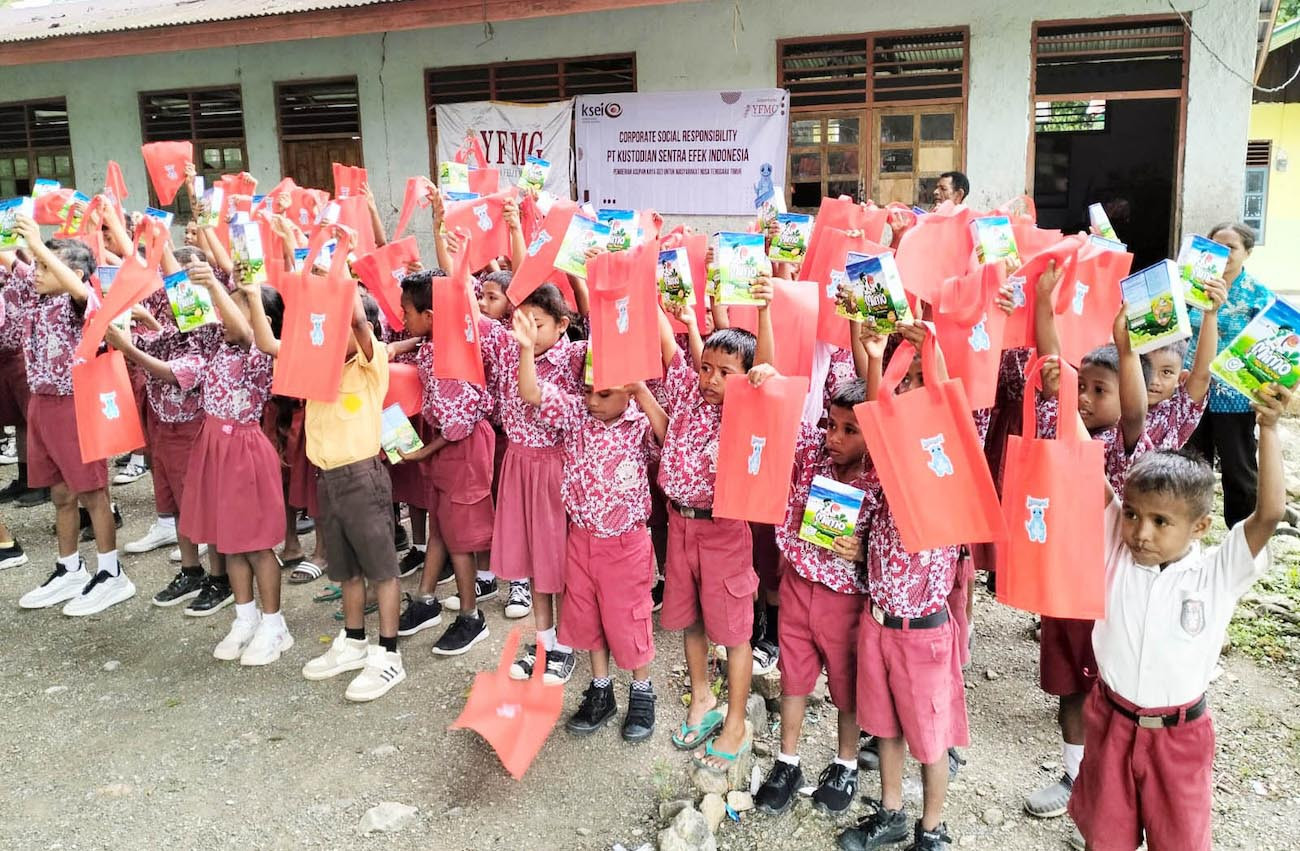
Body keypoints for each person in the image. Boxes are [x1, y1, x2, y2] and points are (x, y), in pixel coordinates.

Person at [1069, 384, 1291, 851]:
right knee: (1104, 840)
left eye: (1160, 521)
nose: (1140, 532)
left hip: (1179, 736)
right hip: (1111, 722)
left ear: (1200, 526)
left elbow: (1267, 514)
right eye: (1131, 514)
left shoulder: (1217, 573)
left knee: (1181, 843)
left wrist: (1268, 429)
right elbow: (1081, 461)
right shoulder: (1116, 546)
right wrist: (1057, 390)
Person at [1025, 262, 1150, 828]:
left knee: (1110, 692)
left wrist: (1125, 352)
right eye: (1085, 388)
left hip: (1106, 589)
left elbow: (1136, 408)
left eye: (1100, 392)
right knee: (1068, 686)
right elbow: (1053, 369)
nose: (1085, 401)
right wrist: (1045, 309)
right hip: (1063, 584)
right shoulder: (1061, 428)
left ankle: (1109, 789)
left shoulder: (1125, 450)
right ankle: (1074, 775)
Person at [837, 322, 966, 851]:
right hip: (879, 621)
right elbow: (878, 416)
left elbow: (938, 421)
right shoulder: (888, 468)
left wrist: (930, 357)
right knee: (884, 726)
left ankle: (930, 831)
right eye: (904, 382)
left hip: (923, 634)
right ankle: (890, 811)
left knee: (930, 741)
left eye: (920, 382)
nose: (909, 392)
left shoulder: (947, 467)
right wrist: (873, 358)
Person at [512, 307, 667, 741]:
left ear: (629, 393)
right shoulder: (578, 416)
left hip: (626, 543)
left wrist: (641, 392)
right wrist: (526, 349)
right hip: (580, 540)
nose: (592, 400)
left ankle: (642, 690)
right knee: (589, 617)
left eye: (604, 393)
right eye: (587, 391)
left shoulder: (638, 424)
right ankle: (602, 689)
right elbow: (532, 393)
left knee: (630, 618)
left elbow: (668, 439)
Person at [266, 257, 408, 701]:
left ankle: (388, 655)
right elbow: (268, 341)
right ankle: (353, 640)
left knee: (381, 569)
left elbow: (359, 323)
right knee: (345, 569)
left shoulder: (371, 362)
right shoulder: (318, 367)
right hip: (328, 478)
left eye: (340, 326)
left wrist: (337, 279)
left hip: (362, 477)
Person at [658, 281, 774, 775]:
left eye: (725, 372)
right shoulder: (688, 393)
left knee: (733, 632)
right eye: (707, 367)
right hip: (679, 526)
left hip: (723, 532)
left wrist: (765, 322)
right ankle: (702, 698)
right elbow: (672, 346)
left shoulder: (747, 410)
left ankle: (736, 723)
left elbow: (767, 377)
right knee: (691, 619)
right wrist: (671, 310)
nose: (710, 379)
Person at [753, 376, 870, 817]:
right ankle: (788, 762)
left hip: (847, 602)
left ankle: (846, 763)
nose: (834, 437)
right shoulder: (811, 454)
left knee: (846, 687)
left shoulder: (880, 478)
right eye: (831, 424)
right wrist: (767, 380)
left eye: (849, 430)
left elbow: (897, 539)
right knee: (795, 677)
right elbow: (777, 412)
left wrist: (865, 549)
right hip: (799, 588)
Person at [11, 216, 132, 616]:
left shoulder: (80, 301)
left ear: (72, 271)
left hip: (73, 403)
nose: (38, 272)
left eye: (47, 265)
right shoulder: (38, 298)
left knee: (92, 492)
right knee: (60, 493)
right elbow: (13, 261)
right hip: (41, 401)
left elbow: (80, 291)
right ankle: (70, 568)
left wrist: (41, 250)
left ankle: (112, 572)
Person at [174, 264, 290, 665]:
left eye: (235, 306)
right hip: (214, 444)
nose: (225, 317)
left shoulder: (260, 345)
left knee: (256, 544)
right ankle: (245, 616)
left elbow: (243, 329)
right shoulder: (220, 346)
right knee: (229, 541)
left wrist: (217, 285)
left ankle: (275, 624)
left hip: (243, 448)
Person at [479, 284, 588, 684]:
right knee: (530, 560)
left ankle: (566, 645)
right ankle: (542, 641)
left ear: (562, 325)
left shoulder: (574, 358)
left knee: (557, 562)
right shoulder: (512, 348)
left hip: (554, 471)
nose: (525, 330)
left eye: (536, 323)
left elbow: (534, 393)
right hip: (519, 465)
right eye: (519, 321)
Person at [394, 270, 497, 656]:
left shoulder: (449, 356)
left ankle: (471, 616)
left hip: (461, 449)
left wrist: (422, 452)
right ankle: (425, 599)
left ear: (432, 316)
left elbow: (456, 424)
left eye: (407, 311)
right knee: (440, 523)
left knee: (459, 538)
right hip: (448, 448)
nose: (402, 319)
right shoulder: (438, 343)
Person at [1186, 222, 1274, 528]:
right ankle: (1186, 531)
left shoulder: (1258, 297)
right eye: (1217, 247)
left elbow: (1272, 344)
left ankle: (1241, 537)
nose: (1223, 255)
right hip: (1193, 392)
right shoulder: (1191, 287)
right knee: (1190, 467)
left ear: (1247, 253)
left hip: (1235, 398)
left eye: (1231, 248)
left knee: (1239, 470)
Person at [1141, 275, 1224, 450]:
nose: (1153, 380)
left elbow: (1202, 375)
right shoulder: (1113, 402)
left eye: (1166, 372)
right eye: (1145, 367)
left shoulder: (1177, 411)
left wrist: (1210, 313)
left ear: (1181, 378)